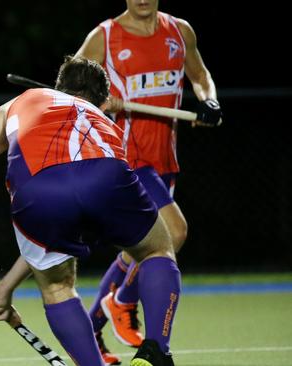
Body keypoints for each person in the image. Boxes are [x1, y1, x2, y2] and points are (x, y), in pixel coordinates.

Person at [0, 56, 182, 366]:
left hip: (37, 188)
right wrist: (7, 286)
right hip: (105, 174)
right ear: (103, 102)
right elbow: (81, 183)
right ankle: (156, 352)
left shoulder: (25, 101)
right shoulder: (104, 121)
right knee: (156, 251)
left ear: (58, 88)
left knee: (56, 286)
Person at [75, 0, 221, 363]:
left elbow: (200, 77)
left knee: (141, 247)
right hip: (126, 158)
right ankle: (124, 300)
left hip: (164, 159)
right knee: (174, 232)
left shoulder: (179, 32)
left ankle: (94, 325)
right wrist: (99, 100)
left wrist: (210, 101)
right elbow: (69, 90)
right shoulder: (104, 37)